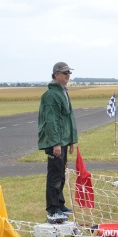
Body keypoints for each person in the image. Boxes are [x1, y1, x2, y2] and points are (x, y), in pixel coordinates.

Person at [37, 61, 78, 221]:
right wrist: (56, 143)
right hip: (55, 143)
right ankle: (52, 210)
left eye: (69, 73)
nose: (68, 75)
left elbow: (67, 119)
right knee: (55, 175)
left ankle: (60, 204)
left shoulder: (62, 92)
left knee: (61, 174)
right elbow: (51, 121)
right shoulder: (51, 95)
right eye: (65, 73)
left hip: (63, 141)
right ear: (56, 75)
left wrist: (70, 141)